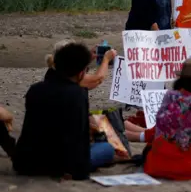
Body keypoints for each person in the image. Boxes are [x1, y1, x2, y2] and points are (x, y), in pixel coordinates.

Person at [12, 42, 115, 180]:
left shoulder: (35, 89)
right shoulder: (77, 94)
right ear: (81, 73)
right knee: (107, 148)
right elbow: (78, 138)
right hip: (59, 165)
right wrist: (79, 171)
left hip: (26, 162)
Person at [46, 39, 118, 90]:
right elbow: (98, 79)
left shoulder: (55, 70)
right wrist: (106, 59)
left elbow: (76, 67)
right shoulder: (68, 75)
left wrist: (87, 58)